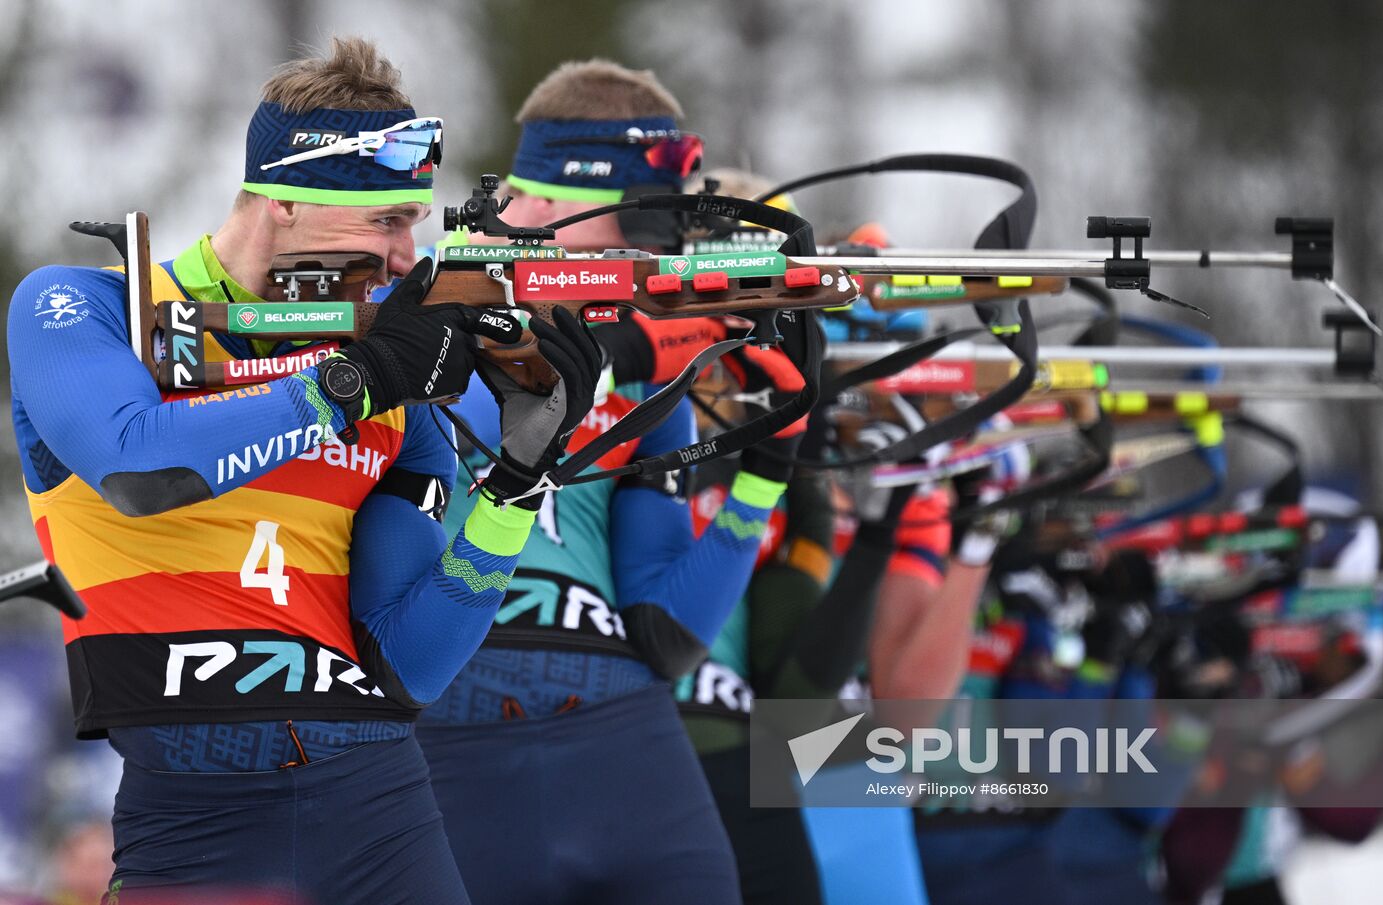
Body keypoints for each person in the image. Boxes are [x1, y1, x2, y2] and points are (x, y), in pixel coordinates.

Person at [7, 37, 600, 905]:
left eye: (416, 222)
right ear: (285, 201)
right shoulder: (86, 309)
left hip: (380, 811)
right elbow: (140, 468)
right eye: (386, 221)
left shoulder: (387, 382)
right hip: (194, 823)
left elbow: (405, 668)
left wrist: (514, 483)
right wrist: (348, 385)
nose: (406, 257)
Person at [416, 59, 796, 905]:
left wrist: (771, 464)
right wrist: (611, 357)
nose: (641, 257)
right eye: (626, 226)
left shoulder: (642, 347)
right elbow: (447, 403)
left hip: (623, 731)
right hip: (447, 731)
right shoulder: (416, 300)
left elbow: (666, 631)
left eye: (657, 236)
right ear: (543, 201)